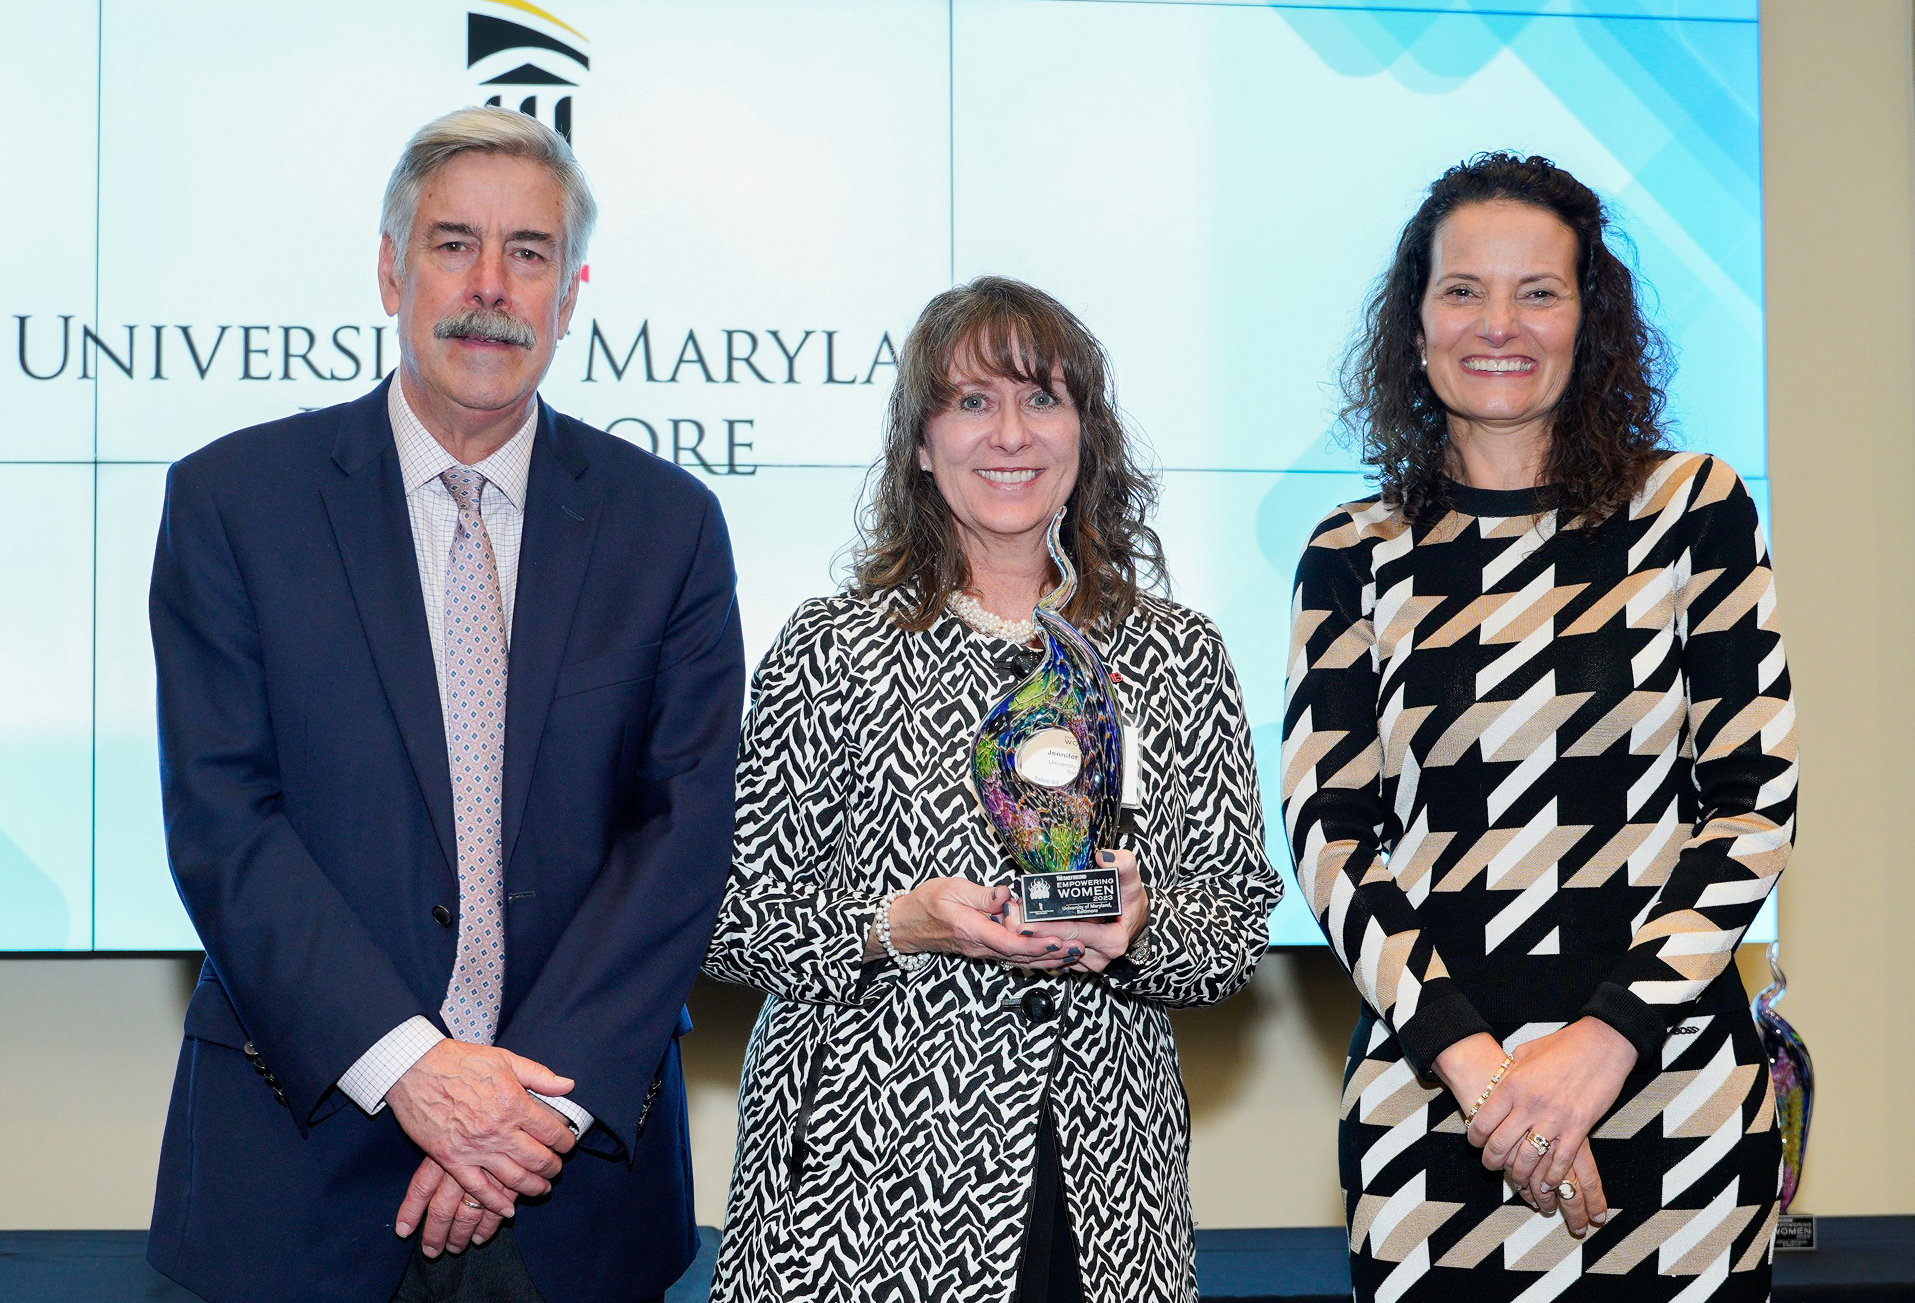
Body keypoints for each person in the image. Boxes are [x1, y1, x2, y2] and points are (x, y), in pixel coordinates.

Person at [145, 106, 744, 1303]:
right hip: (298, 1165)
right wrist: (416, 1069)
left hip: (575, 1175)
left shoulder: (666, 526)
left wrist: (516, 1112)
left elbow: (679, 835)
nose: (489, 286)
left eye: (528, 253)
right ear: (387, 268)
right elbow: (224, 821)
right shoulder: (234, 502)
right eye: (452, 243)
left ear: (569, 294)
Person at [703, 276, 1281, 1303]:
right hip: (864, 1184)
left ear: (1085, 437)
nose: (1008, 434)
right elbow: (727, 917)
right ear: (920, 444)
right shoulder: (829, 648)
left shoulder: (1178, 653)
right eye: (971, 402)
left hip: (1105, 1181)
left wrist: (1138, 929)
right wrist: (899, 923)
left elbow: (1233, 922)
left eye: (1042, 399)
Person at [1281, 152, 1795, 1301]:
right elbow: (1328, 833)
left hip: (1670, 1100)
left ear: (1589, 319)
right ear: (1412, 324)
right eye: (1461, 289)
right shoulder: (1351, 552)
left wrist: (1594, 1047)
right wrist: (1485, 1081)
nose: (1496, 323)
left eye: (1538, 291)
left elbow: (1755, 800)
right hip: (1434, 1110)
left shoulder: (1691, 509)